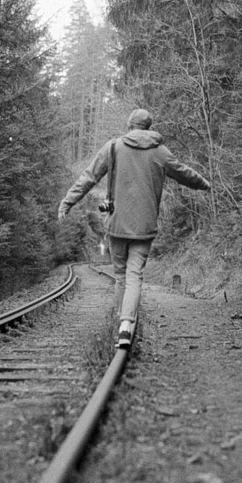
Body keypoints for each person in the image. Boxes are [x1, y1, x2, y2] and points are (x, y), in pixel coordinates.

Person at [58, 108, 211, 348]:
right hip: (145, 225)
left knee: (120, 275)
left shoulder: (113, 147)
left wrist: (67, 202)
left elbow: (88, 177)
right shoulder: (160, 152)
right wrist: (204, 184)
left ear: (130, 126)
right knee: (134, 275)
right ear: (148, 128)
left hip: (117, 224)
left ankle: (120, 321)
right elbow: (183, 173)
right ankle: (127, 325)